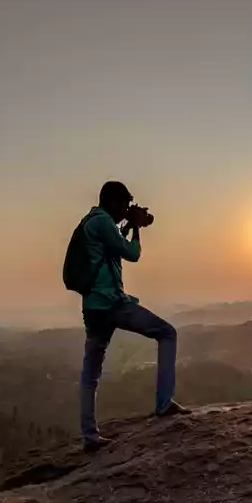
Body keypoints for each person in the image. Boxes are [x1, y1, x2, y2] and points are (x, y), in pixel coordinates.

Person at [78, 181, 189, 453]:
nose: (126, 209)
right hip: (112, 304)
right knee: (167, 333)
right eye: (125, 205)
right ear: (113, 202)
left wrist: (128, 224)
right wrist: (136, 227)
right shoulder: (103, 222)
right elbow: (132, 254)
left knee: (90, 373)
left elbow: (112, 248)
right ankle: (164, 404)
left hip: (93, 307)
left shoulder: (91, 222)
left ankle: (90, 437)